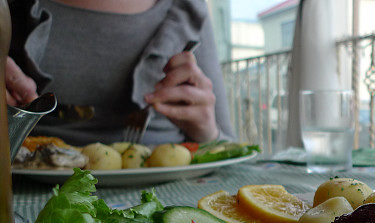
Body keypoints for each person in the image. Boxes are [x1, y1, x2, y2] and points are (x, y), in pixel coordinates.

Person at [5, 0, 235, 146]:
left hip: (169, 193)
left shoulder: (187, 8)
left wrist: (207, 132)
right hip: (24, 193)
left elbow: (227, 145)